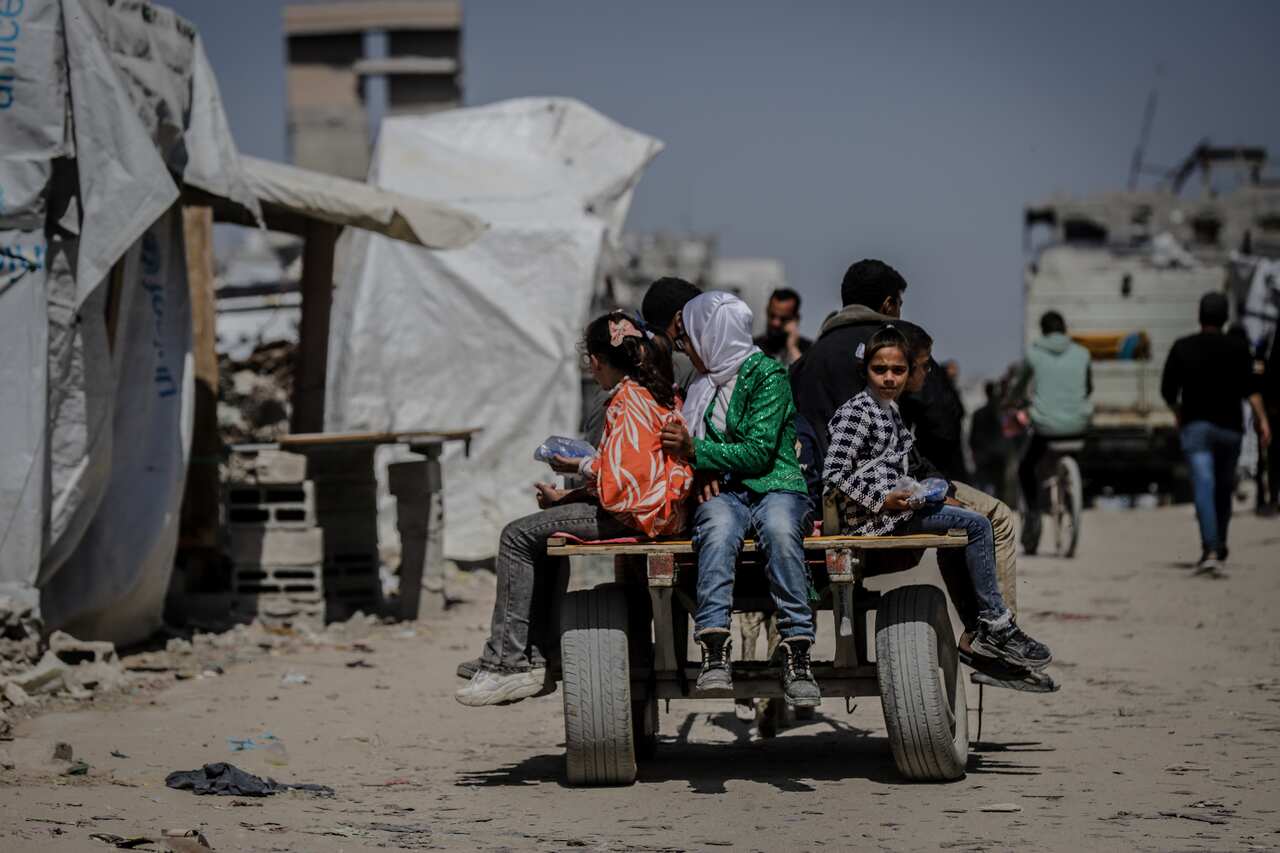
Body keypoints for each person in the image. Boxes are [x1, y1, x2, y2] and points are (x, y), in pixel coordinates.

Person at [455, 312, 694, 706]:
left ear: (597, 361)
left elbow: (622, 485)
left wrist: (579, 467)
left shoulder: (628, 400)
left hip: (638, 518)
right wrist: (565, 499)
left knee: (515, 536)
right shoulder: (648, 392)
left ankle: (507, 663)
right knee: (541, 532)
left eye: (590, 361)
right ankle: (534, 656)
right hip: (649, 513)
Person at [791, 259, 1021, 617]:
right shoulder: (897, 351)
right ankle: (991, 632)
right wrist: (941, 488)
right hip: (883, 500)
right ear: (888, 304)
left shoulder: (807, 360)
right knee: (998, 520)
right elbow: (941, 424)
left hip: (816, 504)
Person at [824, 325, 1053, 670]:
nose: (889, 378)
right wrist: (881, 500)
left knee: (970, 519)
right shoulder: (857, 411)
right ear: (865, 370)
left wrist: (931, 493)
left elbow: (909, 463)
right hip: (878, 519)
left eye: (898, 371)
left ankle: (987, 627)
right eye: (880, 370)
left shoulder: (889, 409)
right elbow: (834, 474)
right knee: (977, 526)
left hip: (900, 509)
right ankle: (995, 625)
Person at [658, 291, 820, 708]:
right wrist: (699, 470)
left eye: (690, 340)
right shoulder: (699, 383)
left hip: (776, 485)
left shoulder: (767, 375)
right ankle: (714, 644)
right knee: (716, 528)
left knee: (781, 529)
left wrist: (696, 453)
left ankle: (797, 648)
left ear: (714, 336)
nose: (686, 349)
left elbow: (759, 451)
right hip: (725, 491)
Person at [1160, 292, 1272, 572]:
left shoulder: (1182, 347)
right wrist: (1263, 422)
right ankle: (1219, 543)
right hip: (1230, 430)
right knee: (1223, 488)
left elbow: (1167, 390)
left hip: (1196, 427)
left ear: (1199, 316)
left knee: (1204, 486)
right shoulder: (1238, 349)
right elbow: (1252, 391)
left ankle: (1210, 548)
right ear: (1224, 318)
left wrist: (1178, 413)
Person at [1014, 311, 1093, 555]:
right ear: (1064, 329)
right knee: (1073, 455)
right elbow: (1088, 387)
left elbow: (1019, 386)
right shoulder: (1083, 354)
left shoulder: (1034, 354)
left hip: (1046, 428)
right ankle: (1073, 494)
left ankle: (1034, 516)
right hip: (1079, 426)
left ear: (1043, 330)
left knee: (1026, 467)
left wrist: (1011, 401)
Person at [755, 287, 812, 366]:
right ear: (767, 311)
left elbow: (806, 376)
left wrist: (793, 348)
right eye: (772, 316)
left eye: (783, 319)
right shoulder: (754, 347)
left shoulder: (808, 350)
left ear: (796, 319)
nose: (776, 323)